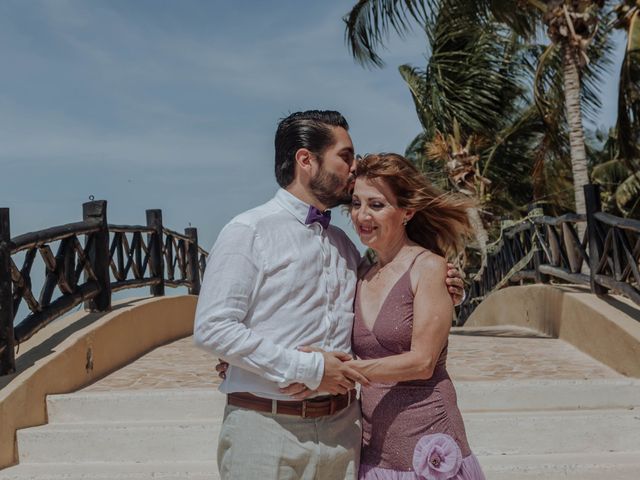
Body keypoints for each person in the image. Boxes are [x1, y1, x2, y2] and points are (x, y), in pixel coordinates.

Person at [194, 111, 465, 480]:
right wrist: (306, 369)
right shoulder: (249, 231)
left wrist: (447, 290)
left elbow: (388, 301)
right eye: (346, 155)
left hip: (345, 433)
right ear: (307, 160)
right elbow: (212, 328)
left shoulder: (346, 248)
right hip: (267, 430)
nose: (354, 168)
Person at [347, 153, 485, 479]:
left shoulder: (429, 268)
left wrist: (347, 370)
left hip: (428, 444)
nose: (361, 215)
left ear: (407, 211)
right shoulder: (360, 273)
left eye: (376, 205)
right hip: (376, 451)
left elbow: (422, 363)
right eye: (356, 203)